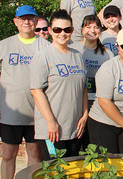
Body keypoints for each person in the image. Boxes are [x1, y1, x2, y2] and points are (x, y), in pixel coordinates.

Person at [0, 5, 50, 179]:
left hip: (36, 114)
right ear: (15, 21)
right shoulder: (4, 45)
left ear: (36, 21)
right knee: (8, 155)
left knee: (34, 154)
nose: (27, 22)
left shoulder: (45, 45)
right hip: (9, 113)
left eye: (31, 18)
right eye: (23, 19)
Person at [30, 10, 88, 159]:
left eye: (67, 29)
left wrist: (84, 114)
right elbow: (36, 91)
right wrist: (50, 121)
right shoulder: (43, 56)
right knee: (56, 173)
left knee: (72, 172)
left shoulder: (78, 56)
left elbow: (83, 89)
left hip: (75, 128)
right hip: (52, 130)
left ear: (72, 31)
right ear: (50, 31)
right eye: (57, 29)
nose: (62, 33)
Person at [69, 15, 113, 147]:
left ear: (100, 30)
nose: (92, 30)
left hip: (98, 104)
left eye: (96, 27)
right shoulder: (73, 50)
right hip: (76, 102)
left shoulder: (108, 54)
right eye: (88, 27)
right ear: (82, 29)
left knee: (94, 144)